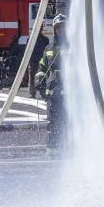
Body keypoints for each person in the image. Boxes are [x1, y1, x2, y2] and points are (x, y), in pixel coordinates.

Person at [36, 14, 67, 151]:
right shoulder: (49, 49)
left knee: (69, 123)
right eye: (58, 27)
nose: (61, 29)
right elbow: (42, 67)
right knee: (53, 123)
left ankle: (70, 150)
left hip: (70, 94)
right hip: (52, 93)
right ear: (55, 29)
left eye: (63, 26)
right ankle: (52, 151)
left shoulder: (76, 46)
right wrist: (39, 81)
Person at [28, 28, 49, 99]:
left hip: (42, 60)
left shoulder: (45, 39)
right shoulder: (30, 39)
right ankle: (32, 92)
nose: (39, 30)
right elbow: (26, 51)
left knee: (42, 76)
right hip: (33, 60)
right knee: (32, 76)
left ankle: (43, 92)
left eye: (40, 29)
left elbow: (47, 50)